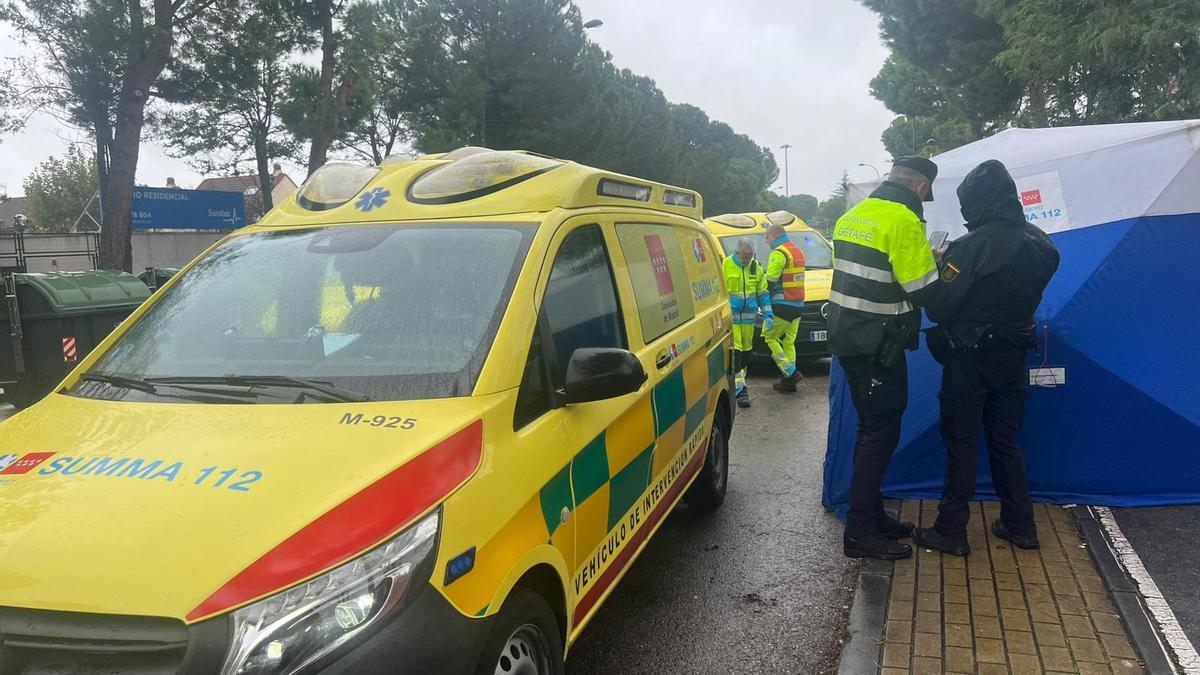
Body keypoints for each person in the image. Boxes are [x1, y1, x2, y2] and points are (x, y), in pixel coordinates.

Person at [913, 160, 1060, 556]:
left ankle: (951, 530)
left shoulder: (969, 248)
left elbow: (941, 309)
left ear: (976, 202)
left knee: (961, 443)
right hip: (1012, 356)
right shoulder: (1042, 244)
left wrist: (938, 263)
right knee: (1005, 441)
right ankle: (1020, 524)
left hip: (969, 358)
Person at [829, 156, 941, 560]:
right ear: (921, 188)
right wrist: (937, 260)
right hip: (879, 345)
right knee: (880, 434)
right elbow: (923, 291)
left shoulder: (855, 215)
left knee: (869, 429)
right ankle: (860, 533)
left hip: (849, 340)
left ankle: (872, 516)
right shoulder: (903, 222)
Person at [722, 238, 773, 408]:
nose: (747, 259)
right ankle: (740, 391)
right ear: (737, 253)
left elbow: (763, 293)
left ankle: (738, 385)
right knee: (736, 356)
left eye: (750, 256)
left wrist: (768, 314)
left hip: (749, 320)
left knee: (746, 356)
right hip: (732, 321)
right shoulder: (726, 265)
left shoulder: (755, 267)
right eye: (745, 256)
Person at [762, 223, 805, 393]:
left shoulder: (778, 253)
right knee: (788, 342)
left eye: (767, 238)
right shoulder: (796, 251)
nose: (767, 242)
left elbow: (770, 282)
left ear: (774, 236)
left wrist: (762, 301)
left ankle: (791, 373)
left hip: (782, 304)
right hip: (799, 304)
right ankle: (789, 383)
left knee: (769, 336)